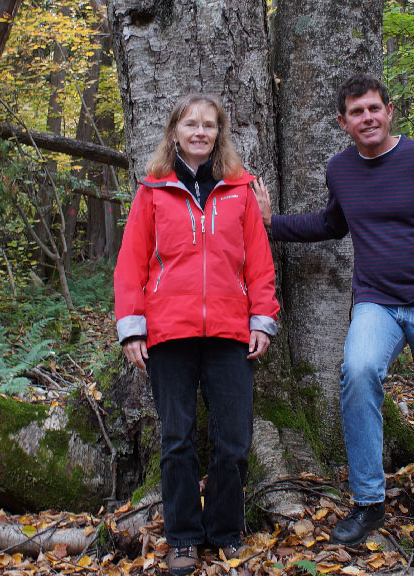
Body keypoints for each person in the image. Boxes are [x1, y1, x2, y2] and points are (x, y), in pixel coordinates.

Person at [253, 74, 414, 575]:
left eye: (374, 109)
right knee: (358, 372)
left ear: (389, 111)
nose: (367, 118)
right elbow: (332, 223)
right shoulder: (340, 169)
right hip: (377, 303)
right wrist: (271, 224)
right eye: (356, 112)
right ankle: (368, 501)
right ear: (343, 122)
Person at [114, 93, 280, 576]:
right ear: (175, 132)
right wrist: (132, 329)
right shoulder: (153, 191)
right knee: (177, 439)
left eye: (209, 125)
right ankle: (183, 537)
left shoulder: (240, 189)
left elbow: (259, 263)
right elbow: (130, 265)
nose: (200, 132)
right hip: (169, 334)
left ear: (219, 133)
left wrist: (262, 319)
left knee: (234, 441)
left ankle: (225, 531)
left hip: (230, 332)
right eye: (191, 124)